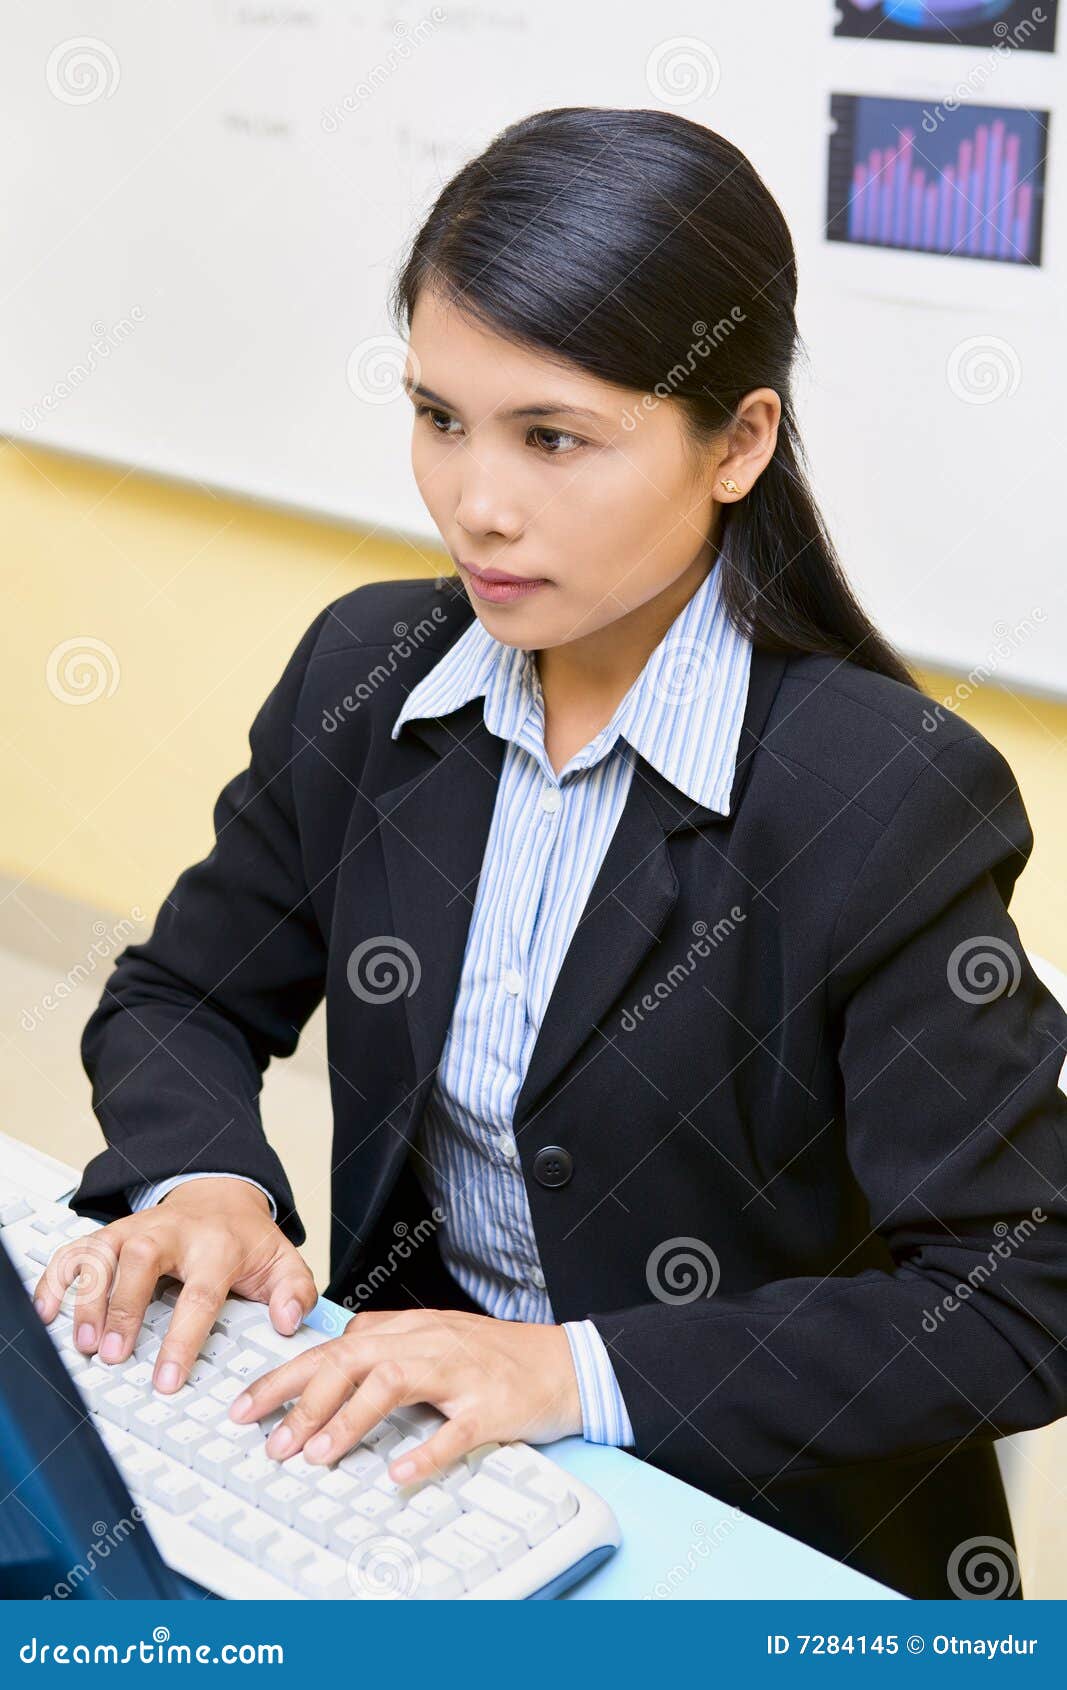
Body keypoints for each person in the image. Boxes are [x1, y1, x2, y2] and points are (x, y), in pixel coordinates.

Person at [43, 107, 1067, 1601]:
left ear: (742, 443)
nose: (478, 501)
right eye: (438, 416)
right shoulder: (371, 674)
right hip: (433, 1474)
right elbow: (181, 997)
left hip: (759, 1524)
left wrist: (570, 1369)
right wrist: (206, 1177)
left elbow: (1021, 1290)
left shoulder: (882, 794)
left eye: (553, 437)